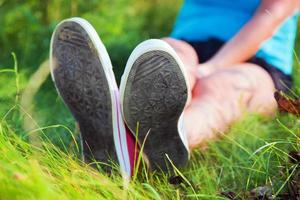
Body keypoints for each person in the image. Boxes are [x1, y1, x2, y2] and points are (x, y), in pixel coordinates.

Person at [49, 0, 299, 179]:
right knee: (168, 57)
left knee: (223, 89)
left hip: (259, 62)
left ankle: (156, 146)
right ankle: (123, 133)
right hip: (187, 45)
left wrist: (211, 68)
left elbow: (271, 14)